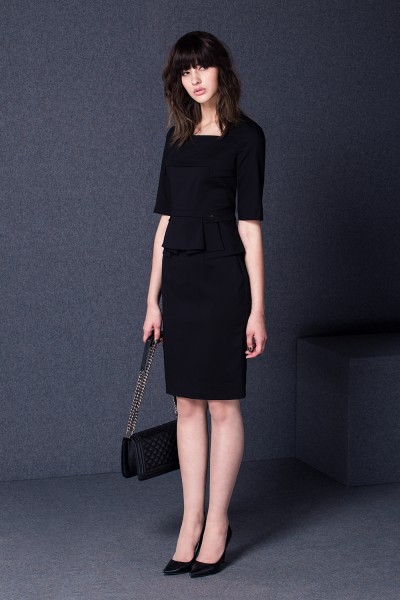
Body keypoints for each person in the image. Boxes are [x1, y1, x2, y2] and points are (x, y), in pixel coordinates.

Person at [143, 31, 267, 578]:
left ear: (221, 71)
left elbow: (251, 226)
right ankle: (190, 521)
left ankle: (218, 521)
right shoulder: (175, 140)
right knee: (186, 405)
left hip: (223, 280)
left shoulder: (247, 137)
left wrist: (258, 309)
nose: (194, 78)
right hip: (181, 281)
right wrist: (152, 301)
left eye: (203, 67)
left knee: (222, 405)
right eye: (185, 70)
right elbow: (164, 224)